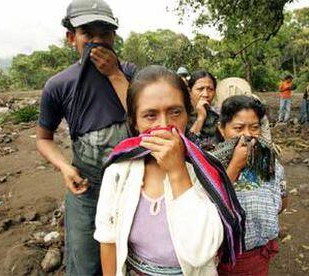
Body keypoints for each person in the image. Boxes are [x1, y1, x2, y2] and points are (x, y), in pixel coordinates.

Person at [94, 65, 244, 276]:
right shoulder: (119, 171)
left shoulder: (205, 171)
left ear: (187, 116)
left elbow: (201, 252)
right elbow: (108, 240)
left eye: (175, 112)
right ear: (134, 122)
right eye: (150, 115)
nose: (164, 125)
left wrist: (177, 172)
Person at [36, 0, 137, 274]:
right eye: (87, 34)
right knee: (84, 259)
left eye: (104, 33)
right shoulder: (59, 85)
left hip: (133, 184)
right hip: (87, 187)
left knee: (132, 253)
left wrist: (115, 75)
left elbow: (142, 122)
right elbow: (43, 138)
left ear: (114, 36)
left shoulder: (131, 74)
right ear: (72, 38)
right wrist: (65, 167)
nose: (97, 41)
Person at [212, 95, 288, 275]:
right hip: (222, 255)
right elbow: (206, 209)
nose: (247, 134)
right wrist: (235, 166)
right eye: (238, 128)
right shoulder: (209, 166)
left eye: (254, 127)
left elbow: (283, 202)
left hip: (258, 254)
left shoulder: (270, 163)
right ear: (222, 129)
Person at [187, 70, 219, 150]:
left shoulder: (216, 118)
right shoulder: (182, 116)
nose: (206, 94)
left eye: (210, 89)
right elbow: (188, 148)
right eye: (200, 89)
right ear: (190, 92)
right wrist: (200, 118)